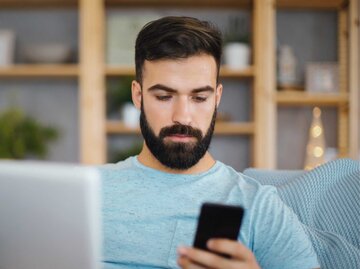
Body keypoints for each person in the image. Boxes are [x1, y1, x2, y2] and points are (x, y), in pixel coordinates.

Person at [100, 16, 320, 269]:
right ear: (138, 96)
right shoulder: (89, 190)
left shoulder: (258, 205)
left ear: (217, 98)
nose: (182, 116)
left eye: (199, 97)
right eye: (164, 96)